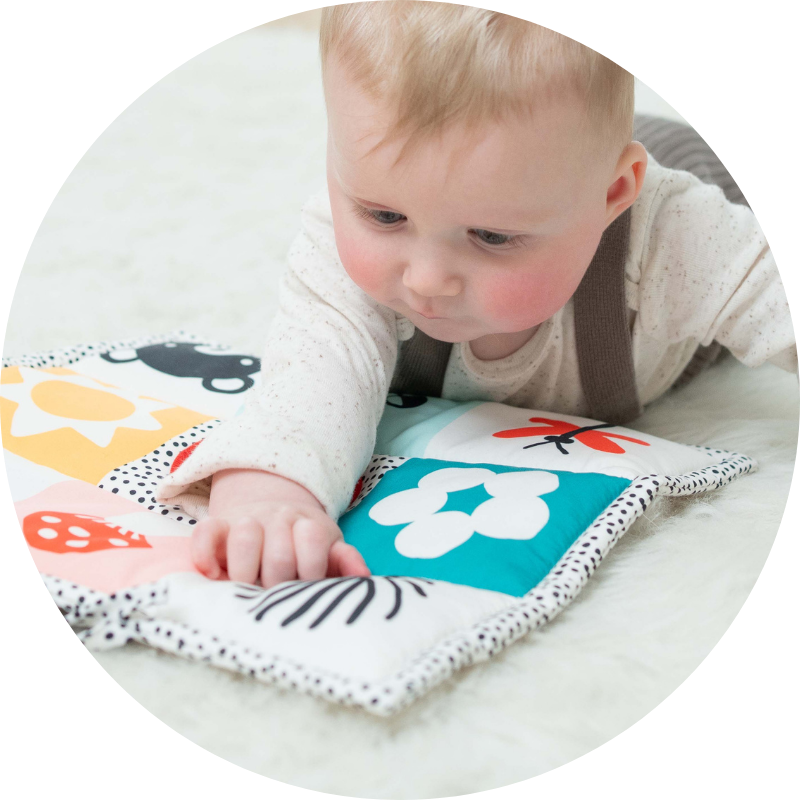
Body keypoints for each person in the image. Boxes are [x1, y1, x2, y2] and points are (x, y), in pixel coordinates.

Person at [156, 3, 795, 589]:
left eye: (491, 236)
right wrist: (274, 488)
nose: (427, 279)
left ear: (608, 198)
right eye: (383, 216)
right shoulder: (337, 242)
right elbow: (313, 377)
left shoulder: (672, 237)